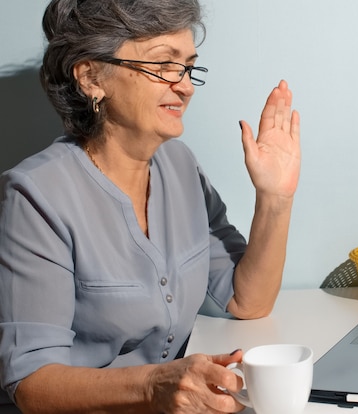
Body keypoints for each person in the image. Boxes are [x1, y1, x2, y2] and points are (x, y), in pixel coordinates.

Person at [0, 0, 301, 412]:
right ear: (91, 77)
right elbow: (30, 383)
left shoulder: (180, 165)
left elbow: (248, 300)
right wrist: (155, 385)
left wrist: (275, 199)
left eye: (189, 66)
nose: (185, 85)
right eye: (163, 65)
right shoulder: (36, 195)